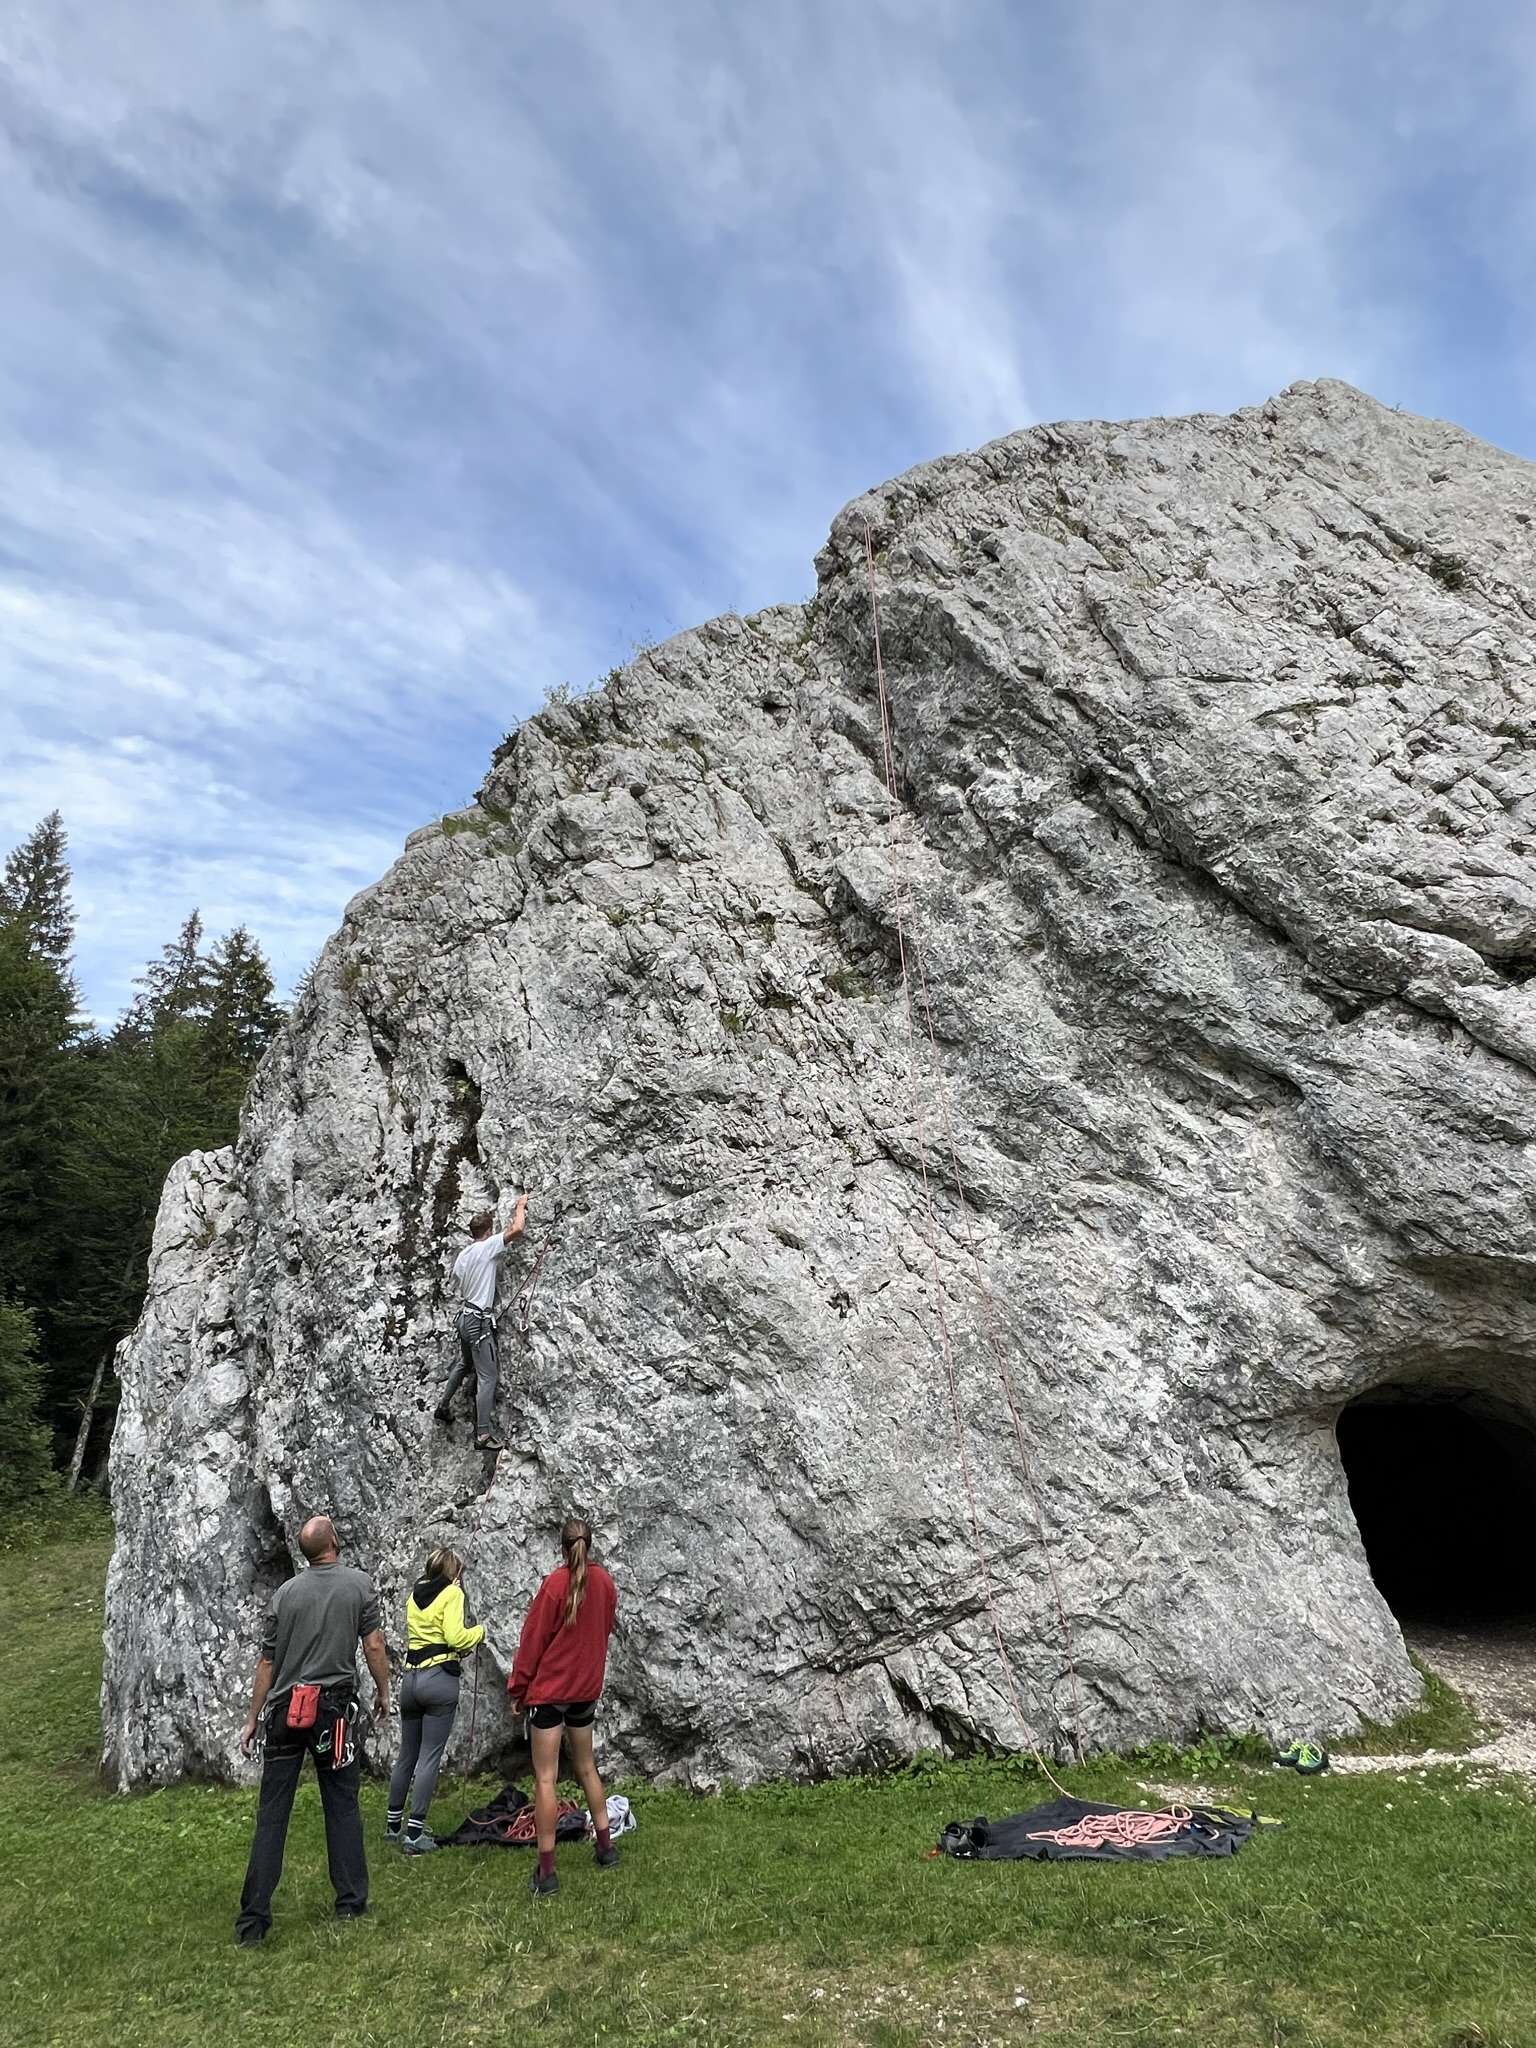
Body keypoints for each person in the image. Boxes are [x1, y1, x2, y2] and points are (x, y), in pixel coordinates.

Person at [234, 1515, 390, 1947]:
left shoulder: (285, 1594)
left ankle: (253, 1921)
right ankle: (350, 1902)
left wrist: (253, 1717)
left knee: (272, 1814)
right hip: (331, 1714)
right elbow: (373, 1644)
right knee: (341, 1804)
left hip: (284, 1712)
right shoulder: (358, 1586)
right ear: (334, 1541)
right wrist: (384, 1692)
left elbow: (267, 1662)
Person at [507, 1516, 621, 1897]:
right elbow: (604, 1627)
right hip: (584, 1690)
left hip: (550, 1692)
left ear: (562, 1547)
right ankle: (606, 1848)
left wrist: (518, 1689)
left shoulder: (555, 1585)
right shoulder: (604, 1583)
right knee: (587, 1766)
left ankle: (547, 1872)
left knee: (546, 1777)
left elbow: (533, 1641)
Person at [385, 1545, 485, 1854]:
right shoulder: (452, 1594)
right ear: (453, 1572)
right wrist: (479, 1632)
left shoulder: (414, 1595)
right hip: (438, 1679)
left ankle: (393, 1826)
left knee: (407, 1754)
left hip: (411, 1680)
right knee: (429, 1756)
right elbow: (455, 1637)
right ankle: (415, 1834)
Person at [436, 1197, 528, 1450]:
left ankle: (443, 1406)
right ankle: (483, 1435)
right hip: (478, 1322)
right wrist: (520, 1206)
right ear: (488, 1231)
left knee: (465, 1363)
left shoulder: (463, 1256)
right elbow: (517, 1229)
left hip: (465, 1317)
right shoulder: (487, 1248)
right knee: (488, 1377)